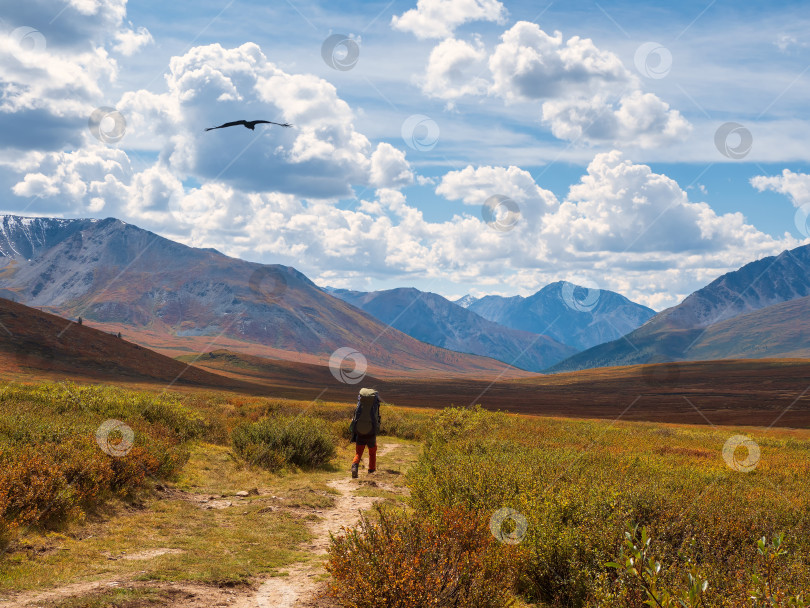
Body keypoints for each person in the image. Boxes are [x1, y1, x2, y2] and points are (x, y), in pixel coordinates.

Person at [350, 387, 381, 478]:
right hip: (371, 432)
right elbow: (376, 418)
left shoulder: (361, 403)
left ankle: (354, 467)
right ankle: (371, 470)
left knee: (358, 453)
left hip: (360, 431)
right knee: (372, 452)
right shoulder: (374, 405)